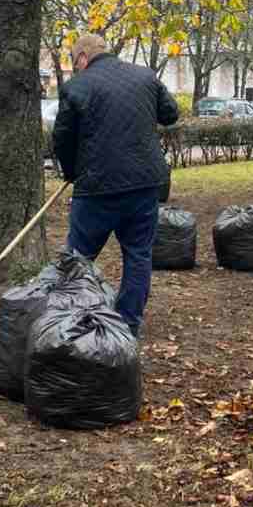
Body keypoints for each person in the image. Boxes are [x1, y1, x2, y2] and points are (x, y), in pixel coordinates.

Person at [51, 34, 180, 336]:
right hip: (144, 184)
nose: (76, 68)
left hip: (97, 188)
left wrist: (71, 173)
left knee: (78, 258)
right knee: (138, 255)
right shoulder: (145, 76)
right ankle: (127, 324)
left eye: (75, 62)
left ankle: (68, 320)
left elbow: (61, 139)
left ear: (82, 57)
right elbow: (170, 114)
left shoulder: (76, 87)